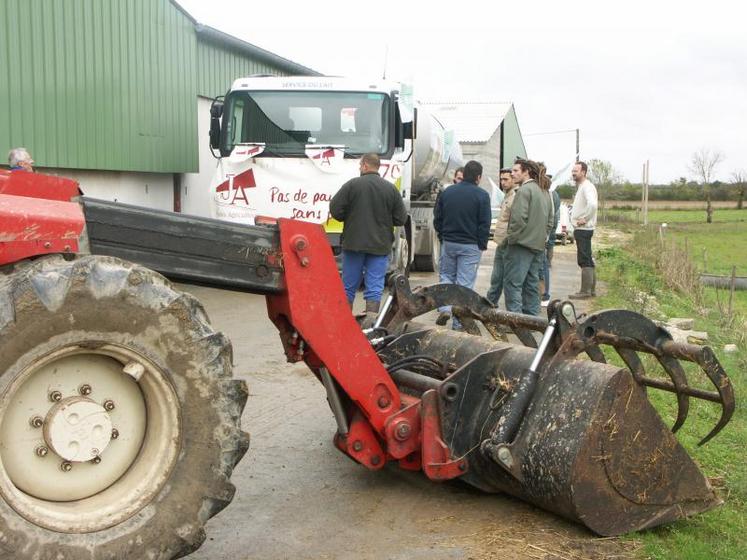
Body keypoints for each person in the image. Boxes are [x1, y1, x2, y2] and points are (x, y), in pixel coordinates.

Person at [330, 153, 407, 314]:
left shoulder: (352, 185)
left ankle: (345, 322)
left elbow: (336, 210)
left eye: (360, 165)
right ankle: (371, 323)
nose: (359, 168)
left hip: (353, 244)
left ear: (365, 165)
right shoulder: (390, 188)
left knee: (348, 286)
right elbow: (401, 218)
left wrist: (350, 217)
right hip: (380, 246)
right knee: (375, 286)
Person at [434, 160, 491, 329]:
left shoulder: (448, 193)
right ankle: (458, 324)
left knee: (446, 277)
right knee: (464, 285)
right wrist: (481, 244)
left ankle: (444, 308)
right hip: (470, 245)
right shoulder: (482, 195)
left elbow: (438, 218)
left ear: (463, 174)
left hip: (449, 243)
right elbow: (484, 223)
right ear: (478, 177)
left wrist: (442, 236)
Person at [503, 159, 554, 316]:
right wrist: (542, 237)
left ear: (526, 172)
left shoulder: (525, 190)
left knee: (513, 284)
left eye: (516, 170)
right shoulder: (544, 191)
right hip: (538, 246)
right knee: (532, 284)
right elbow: (551, 220)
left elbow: (518, 219)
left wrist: (511, 239)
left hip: (521, 245)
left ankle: (515, 320)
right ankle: (532, 319)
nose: (512, 173)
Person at [486, 168, 518, 305]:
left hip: (508, 243)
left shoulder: (515, 196)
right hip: (502, 243)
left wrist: (509, 240)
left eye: (506, 179)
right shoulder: (508, 196)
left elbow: (516, 222)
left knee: (507, 281)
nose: (502, 182)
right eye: (501, 179)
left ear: (513, 180)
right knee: (496, 279)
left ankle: (511, 313)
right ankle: (489, 304)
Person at [569, 161, 598, 299]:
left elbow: (593, 204)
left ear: (584, 172)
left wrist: (585, 218)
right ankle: (591, 290)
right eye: (573, 171)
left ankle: (585, 291)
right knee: (587, 258)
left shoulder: (587, 187)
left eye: (576, 171)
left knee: (584, 259)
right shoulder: (583, 186)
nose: (573, 173)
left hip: (584, 229)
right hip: (583, 229)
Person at [540, 172, 561, 306]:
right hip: (548, 231)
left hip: (546, 232)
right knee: (545, 262)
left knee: (544, 264)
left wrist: (548, 232)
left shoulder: (550, 194)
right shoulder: (552, 194)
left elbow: (552, 215)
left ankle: (545, 294)